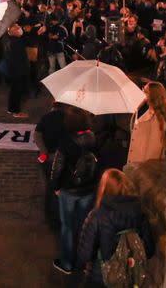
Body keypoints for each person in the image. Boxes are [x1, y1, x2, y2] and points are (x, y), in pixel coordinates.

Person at [77, 169, 154, 287]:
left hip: (100, 277)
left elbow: (84, 254)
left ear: (103, 188)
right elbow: (148, 250)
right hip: (128, 278)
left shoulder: (97, 216)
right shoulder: (140, 214)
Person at [49, 111, 99, 275]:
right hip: (88, 188)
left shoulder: (65, 141)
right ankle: (83, 261)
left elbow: (58, 167)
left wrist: (55, 186)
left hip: (69, 190)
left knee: (68, 227)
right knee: (83, 224)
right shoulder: (93, 137)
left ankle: (67, 264)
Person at [127, 82, 166, 164]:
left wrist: (144, 172)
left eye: (145, 91)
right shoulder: (145, 110)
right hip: (136, 165)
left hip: (143, 169)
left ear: (153, 96)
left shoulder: (158, 119)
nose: (142, 93)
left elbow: (154, 150)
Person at [4, 24, 30, 118]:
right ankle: (16, 112)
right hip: (18, 70)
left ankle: (11, 109)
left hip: (13, 69)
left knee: (13, 90)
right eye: (17, 28)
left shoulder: (10, 40)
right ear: (12, 31)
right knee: (17, 91)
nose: (19, 29)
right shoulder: (16, 42)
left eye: (19, 27)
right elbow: (26, 43)